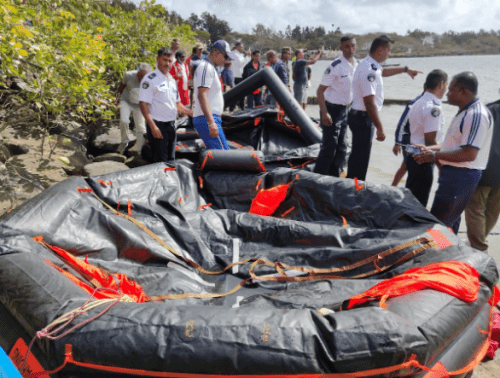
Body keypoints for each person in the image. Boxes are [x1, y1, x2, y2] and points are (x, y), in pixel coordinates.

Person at [414, 72, 493, 234]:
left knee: (439, 225)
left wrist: (434, 156)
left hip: (461, 176)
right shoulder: (464, 112)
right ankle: (448, 253)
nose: (447, 93)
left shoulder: (475, 114)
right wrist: (431, 148)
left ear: (463, 91)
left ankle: (438, 254)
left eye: (450, 90)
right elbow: (452, 144)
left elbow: (469, 153)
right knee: (449, 223)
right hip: (453, 174)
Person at [347, 35, 420, 181]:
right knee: (361, 160)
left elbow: (383, 72)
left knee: (357, 156)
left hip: (359, 116)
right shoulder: (369, 70)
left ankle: (351, 185)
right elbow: (369, 102)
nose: (389, 54)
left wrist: (405, 70)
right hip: (363, 118)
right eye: (389, 50)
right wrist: (380, 127)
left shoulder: (370, 64)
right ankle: (354, 191)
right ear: (380, 50)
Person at [313, 35, 357, 177]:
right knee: (329, 148)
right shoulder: (335, 66)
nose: (350, 49)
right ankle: (317, 179)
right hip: (331, 109)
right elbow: (319, 91)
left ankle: (334, 178)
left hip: (345, 110)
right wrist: (324, 113)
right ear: (341, 48)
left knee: (342, 147)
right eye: (347, 46)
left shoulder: (356, 64)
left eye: (353, 46)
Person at [139, 47, 192, 163]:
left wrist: (191, 112)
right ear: (158, 59)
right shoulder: (150, 79)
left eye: (170, 61)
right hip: (158, 127)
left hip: (172, 126)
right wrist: (153, 126)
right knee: (160, 163)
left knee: (171, 160)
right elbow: (143, 104)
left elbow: (177, 103)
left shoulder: (172, 80)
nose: (167, 64)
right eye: (165, 60)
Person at [405, 70, 448, 207]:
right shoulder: (433, 108)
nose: (446, 90)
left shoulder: (419, 102)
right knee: (419, 202)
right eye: (446, 85)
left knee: (412, 199)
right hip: (423, 159)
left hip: (413, 154)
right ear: (441, 84)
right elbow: (430, 141)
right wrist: (441, 166)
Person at [464, 98, 500, 251]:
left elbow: (472, 140)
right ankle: (478, 243)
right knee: (493, 208)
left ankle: (478, 247)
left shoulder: (487, 110)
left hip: (486, 165)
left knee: (475, 207)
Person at [192, 40, 232, 150]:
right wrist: (211, 122)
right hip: (207, 118)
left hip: (208, 118)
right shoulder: (206, 67)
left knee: (219, 157)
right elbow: (202, 95)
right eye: (225, 57)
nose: (226, 61)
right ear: (216, 53)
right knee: (224, 156)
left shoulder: (210, 68)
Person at [391, 91, 426, 186]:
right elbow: (402, 123)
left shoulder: (430, 102)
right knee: (408, 166)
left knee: (406, 166)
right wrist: (397, 142)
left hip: (419, 140)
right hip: (410, 140)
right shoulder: (415, 103)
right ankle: (395, 187)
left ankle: (394, 186)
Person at [116, 62, 151, 154]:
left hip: (139, 104)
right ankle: (124, 142)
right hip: (126, 101)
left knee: (141, 126)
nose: (143, 78)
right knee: (124, 120)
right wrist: (116, 101)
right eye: (141, 75)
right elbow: (121, 88)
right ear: (137, 72)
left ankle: (141, 148)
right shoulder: (128, 75)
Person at [228, 42, 251, 111]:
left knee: (242, 94)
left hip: (240, 76)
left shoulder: (239, 54)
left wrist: (248, 57)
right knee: (235, 94)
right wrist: (247, 57)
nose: (242, 48)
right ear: (237, 47)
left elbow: (245, 64)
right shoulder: (234, 54)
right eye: (241, 47)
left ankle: (242, 107)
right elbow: (241, 64)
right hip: (236, 77)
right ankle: (231, 109)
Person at [189, 43, 204, 108]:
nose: (200, 50)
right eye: (199, 49)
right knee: (194, 91)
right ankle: (191, 105)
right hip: (195, 78)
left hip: (203, 78)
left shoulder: (204, 57)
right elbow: (190, 69)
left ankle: (200, 105)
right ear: (196, 49)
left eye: (201, 49)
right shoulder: (193, 58)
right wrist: (192, 77)